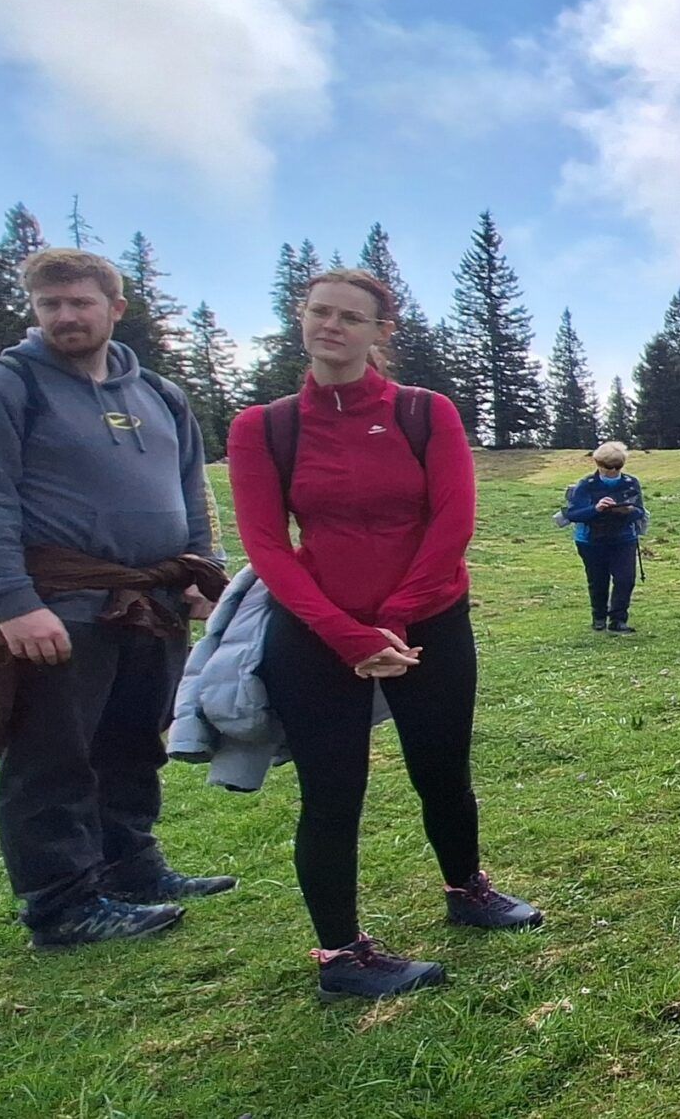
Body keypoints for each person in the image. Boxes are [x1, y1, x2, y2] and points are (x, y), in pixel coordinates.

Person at [228, 268, 541, 1002]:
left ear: (380, 332)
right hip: (314, 635)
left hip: (428, 621)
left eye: (349, 317)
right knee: (331, 793)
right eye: (318, 313)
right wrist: (345, 634)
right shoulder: (262, 427)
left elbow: (452, 522)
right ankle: (341, 956)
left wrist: (395, 620)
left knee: (443, 769)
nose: (329, 326)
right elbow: (267, 546)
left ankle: (466, 889)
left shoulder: (425, 413)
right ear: (300, 320)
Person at [0, 248, 235, 948]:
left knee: (132, 740)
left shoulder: (158, 394)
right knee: (53, 753)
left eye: (80, 303)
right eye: (50, 305)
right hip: (56, 601)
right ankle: (60, 902)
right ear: (35, 311)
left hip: (150, 598)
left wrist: (199, 571)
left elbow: (193, 490)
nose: (66, 316)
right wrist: (13, 602)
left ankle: (131, 868)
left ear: (115, 309)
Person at [564, 441, 644, 633]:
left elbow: (640, 511)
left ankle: (618, 620)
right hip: (591, 541)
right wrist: (597, 508)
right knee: (598, 580)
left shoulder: (631, 483)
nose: (613, 471)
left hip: (624, 538)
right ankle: (599, 616)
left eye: (618, 467)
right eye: (609, 467)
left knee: (625, 579)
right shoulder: (586, 485)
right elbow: (574, 514)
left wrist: (627, 510)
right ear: (598, 464)